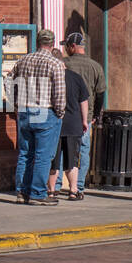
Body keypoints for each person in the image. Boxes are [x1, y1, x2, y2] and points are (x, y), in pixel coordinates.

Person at [5, 29, 66, 206]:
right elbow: (60, 93)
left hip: (25, 111)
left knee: (25, 153)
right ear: (52, 43)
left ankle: (22, 192)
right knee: (43, 155)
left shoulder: (23, 60)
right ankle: (38, 193)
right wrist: (59, 112)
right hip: (46, 112)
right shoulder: (55, 64)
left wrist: (14, 104)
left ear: (37, 42)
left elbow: (8, 80)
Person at [56, 32, 105, 194]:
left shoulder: (64, 63)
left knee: (61, 149)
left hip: (65, 115)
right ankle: (79, 187)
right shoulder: (96, 66)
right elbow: (100, 94)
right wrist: (95, 116)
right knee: (83, 151)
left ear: (72, 47)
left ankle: (56, 186)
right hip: (86, 116)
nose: (66, 50)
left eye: (67, 46)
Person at [48, 64, 89, 201]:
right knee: (72, 161)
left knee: (53, 160)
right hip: (73, 124)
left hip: (54, 124)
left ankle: (51, 191)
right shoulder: (76, 78)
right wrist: (84, 121)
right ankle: (73, 191)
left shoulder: (50, 77)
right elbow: (83, 101)